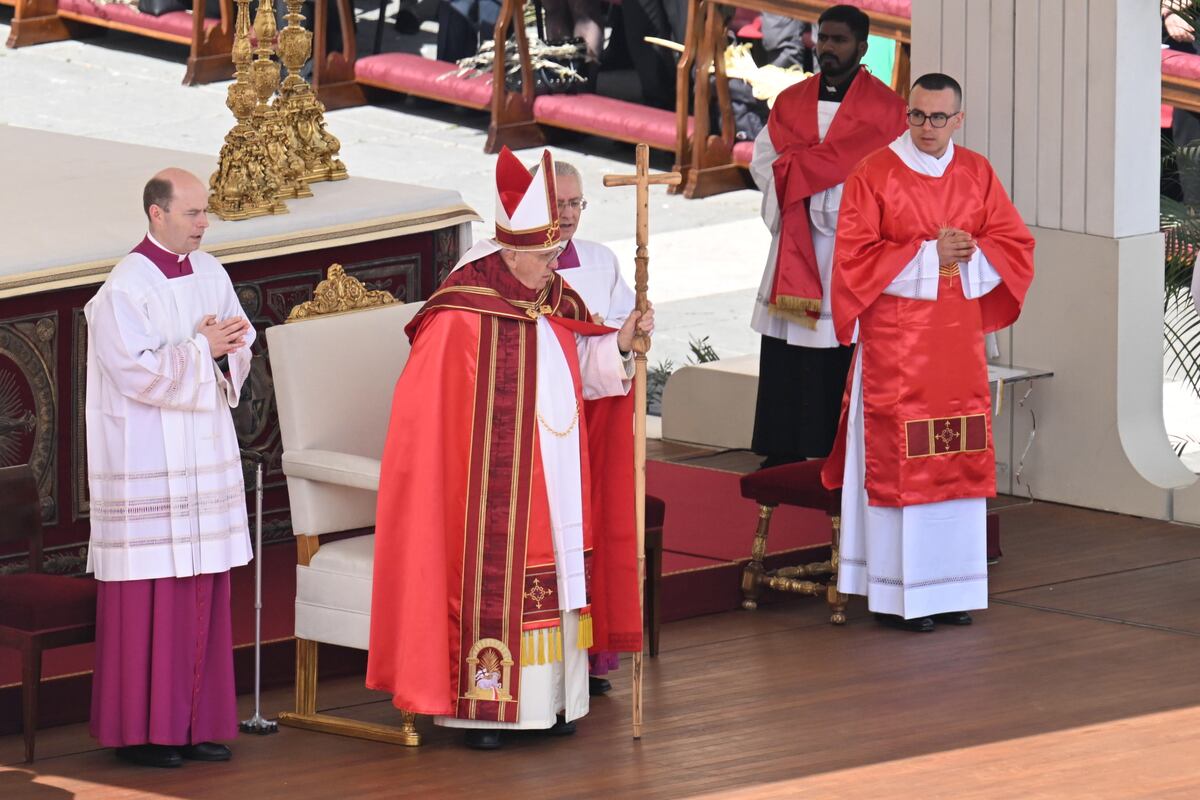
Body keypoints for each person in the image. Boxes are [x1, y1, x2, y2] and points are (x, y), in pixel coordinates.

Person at [367, 148, 653, 750]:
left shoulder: (551, 296)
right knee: (496, 585)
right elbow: (430, 411)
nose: (555, 267)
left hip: (556, 468)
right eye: (546, 256)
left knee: (558, 583)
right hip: (489, 485)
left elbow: (584, 364)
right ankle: (483, 711)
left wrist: (620, 344)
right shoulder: (460, 311)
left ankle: (555, 703)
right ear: (512, 250)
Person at [821, 74, 1035, 633]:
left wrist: (972, 251)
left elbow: (1014, 242)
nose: (927, 128)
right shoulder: (874, 174)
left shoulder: (976, 172)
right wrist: (927, 253)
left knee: (954, 467)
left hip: (956, 346)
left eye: (939, 118)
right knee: (903, 468)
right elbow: (852, 259)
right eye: (917, 116)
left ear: (958, 120)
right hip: (896, 349)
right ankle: (900, 598)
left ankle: (951, 589)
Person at [85, 168, 254, 767]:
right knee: (152, 595)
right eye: (193, 214)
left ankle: (198, 724)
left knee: (204, 583)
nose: (204, 224)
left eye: (206, 214)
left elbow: (241, 335)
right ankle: (144, 732)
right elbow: (133, 371)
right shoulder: (124, 288)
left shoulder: (211, 271)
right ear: (157, 214)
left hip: (203, 450)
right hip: (149, 455)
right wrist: (199, 349)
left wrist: (226, 347)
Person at [749, 4, 908, 468]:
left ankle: (830, 448)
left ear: (862, 47)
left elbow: (890, 176)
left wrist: (831, 201)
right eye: (823, 39)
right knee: (785, 350)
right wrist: (800, 190)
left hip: (844, 248)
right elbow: (766, 158)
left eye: (839, 41)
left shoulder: (886, 110)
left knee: (835, 349)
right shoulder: (793, 100)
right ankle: (779, 447)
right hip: (795, 243)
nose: (829, 49)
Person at [551, 159, 635, 696]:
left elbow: (612, 341)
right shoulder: (491, 264)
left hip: (592, 422)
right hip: (536, 426)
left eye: (576, 204)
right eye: (558, 204)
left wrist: (630, 337)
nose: (568, 216)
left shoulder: (600, 262)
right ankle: (543, 665)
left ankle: (588, 652)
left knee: (590, 533)